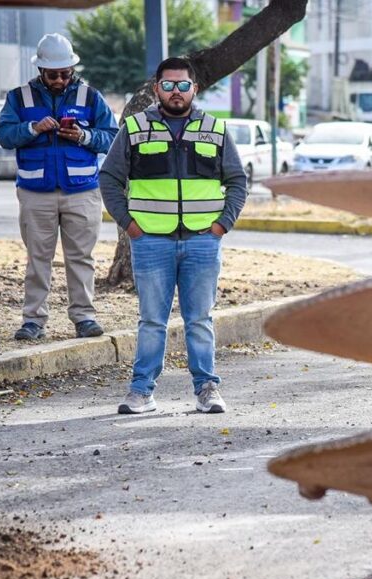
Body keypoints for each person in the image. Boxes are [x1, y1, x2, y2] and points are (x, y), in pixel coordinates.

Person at [99, 56, 247, 415]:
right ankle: (141, 392)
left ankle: (207, 389)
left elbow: (237, 181)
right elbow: (110, 179)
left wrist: (220, 226)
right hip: (151, 242)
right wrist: (131, 226)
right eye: (168, 85)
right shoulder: (134, 128)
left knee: (200, 320)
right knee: (151, 320)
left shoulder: (215, 129)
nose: (176, 92)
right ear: (156, 89)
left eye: (183, 85)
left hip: (201, 241)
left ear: (194, 89)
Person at [0, 33, 117, 342]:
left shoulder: (90, 97)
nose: (60, 79)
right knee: (38, 258)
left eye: (65, 73)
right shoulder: (18, 97)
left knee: (81, 258)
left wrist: (84, 136)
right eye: (54, 74)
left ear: (72, 69)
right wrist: (32, 128)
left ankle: (84, 317)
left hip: (82, 191)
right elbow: (5, 135)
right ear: (41, 71)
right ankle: (33, 320)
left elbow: (112, 137)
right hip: (36, 193)